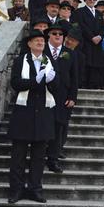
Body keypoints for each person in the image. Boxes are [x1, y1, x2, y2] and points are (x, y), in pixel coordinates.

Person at [7, 29, 59, 204]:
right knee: (18, 156)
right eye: (36, 40)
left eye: (42, 41)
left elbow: (57, 86)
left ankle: (35, 189)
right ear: (29, 44)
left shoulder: (48, 61)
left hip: (43, 112)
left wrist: (51, 80)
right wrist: (34, 81)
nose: (40, 43)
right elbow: (15, 83)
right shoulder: (21, 60)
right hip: (24, 112)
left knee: (38, 156)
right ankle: (16, 190)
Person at [44, 25, 79, 172]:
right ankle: (39, 157)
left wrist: (72, 97)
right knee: (43, 126)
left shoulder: (69, 53)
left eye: (60, 34)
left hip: (62, 97)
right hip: (43, 94)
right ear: (49, 36)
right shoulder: (42, 51)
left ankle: (53, 159)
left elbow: (75, 77)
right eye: (54, 33)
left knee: (58, 129)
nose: (58, 35)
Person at [75, 0, 104, 90]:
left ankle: (94, 84)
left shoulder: (99, 13)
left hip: (97, 43)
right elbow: (82, 26)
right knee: (86, 63)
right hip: (86, 42)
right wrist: (91, 37)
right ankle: (84, 83)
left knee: (96, 65)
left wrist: (100, 36)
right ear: (85, 0)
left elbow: (103, 27)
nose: (92, 1)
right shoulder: (80, 12)